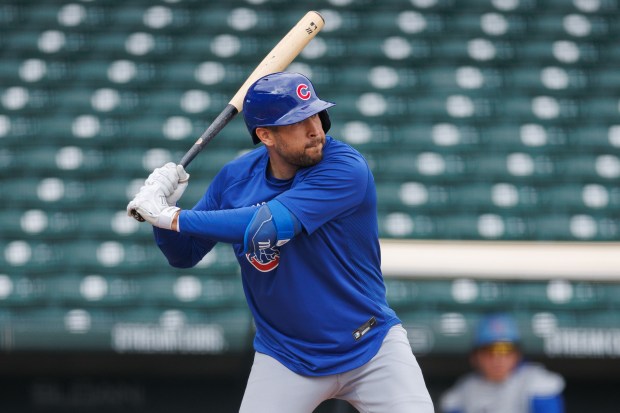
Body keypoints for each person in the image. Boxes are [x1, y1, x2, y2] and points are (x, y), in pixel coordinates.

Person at [126, 72, 434, 413]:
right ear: (265, 135)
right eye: (297, 121)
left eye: (315, 114)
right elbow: (184, 255)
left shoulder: (345, 167)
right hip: (286, 356)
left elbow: (270, 224)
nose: (315, 129)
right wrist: (162, 215)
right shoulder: (235, 179)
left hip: (370, 346)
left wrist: (172, 216)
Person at [439, 313, 565, 413]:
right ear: (475, 357)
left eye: (506, 351)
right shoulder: (462, 392)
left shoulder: (537, 382)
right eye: (489, 351)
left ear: (517, 355)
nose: (498, 359)